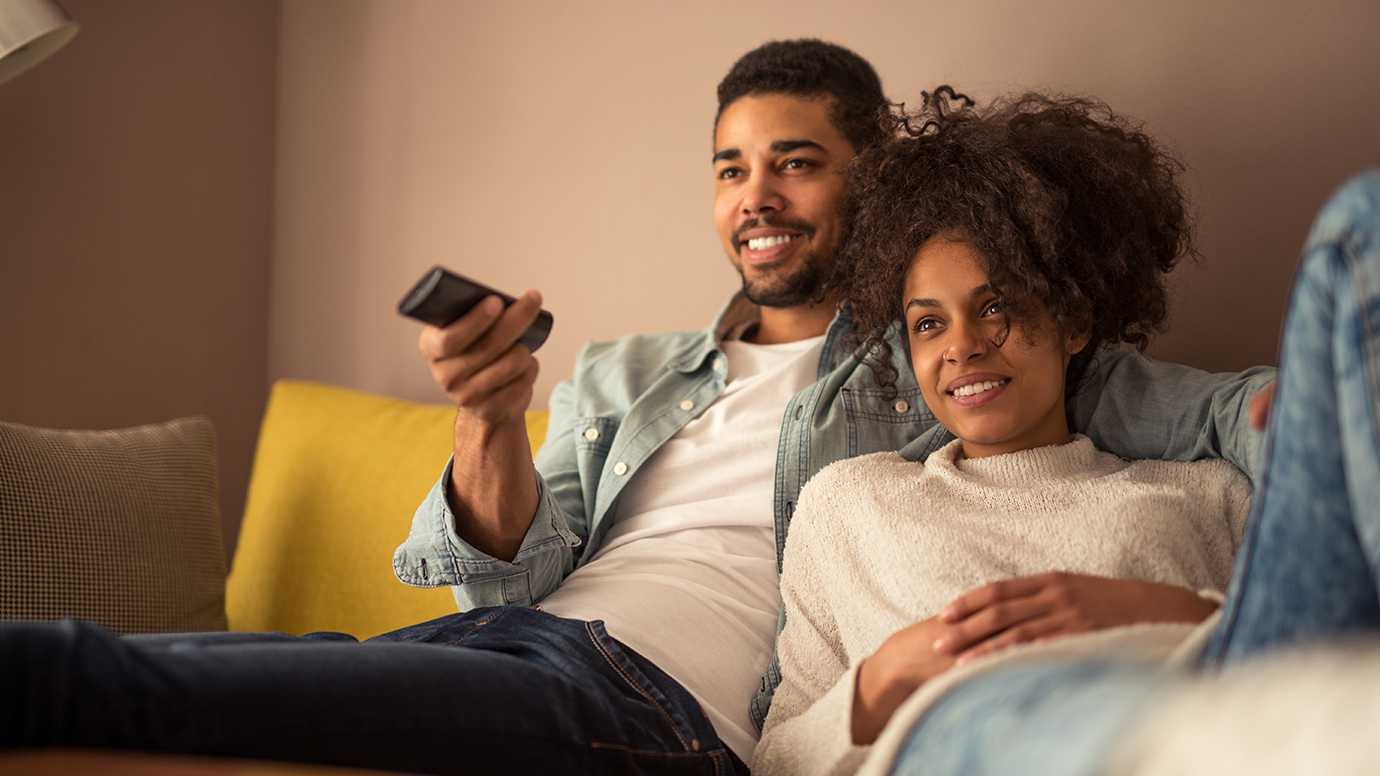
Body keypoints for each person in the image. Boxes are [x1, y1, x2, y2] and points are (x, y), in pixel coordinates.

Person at [0, 42, 1270, 776]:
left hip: (658, 709)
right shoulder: (623, 374)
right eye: (730, 167)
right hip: (525, 655)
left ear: (871, 175)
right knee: (202, 702)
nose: (754, 194)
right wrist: (490, 421)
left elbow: (1239, 423)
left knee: (104, 678)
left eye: (796, 161)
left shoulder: (947, 352)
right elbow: (502, 581)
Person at [753, 87, 1380, 776]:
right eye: (928, 323)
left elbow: (1288, 646)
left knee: (1365, 218)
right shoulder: (848, 502)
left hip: (1215, 698)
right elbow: (776, 759)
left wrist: (1151, 609)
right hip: (976, 723)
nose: (960, 347)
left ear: (1073, 323)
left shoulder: (1208, 492)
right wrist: (878, 683)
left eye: (995, 307)